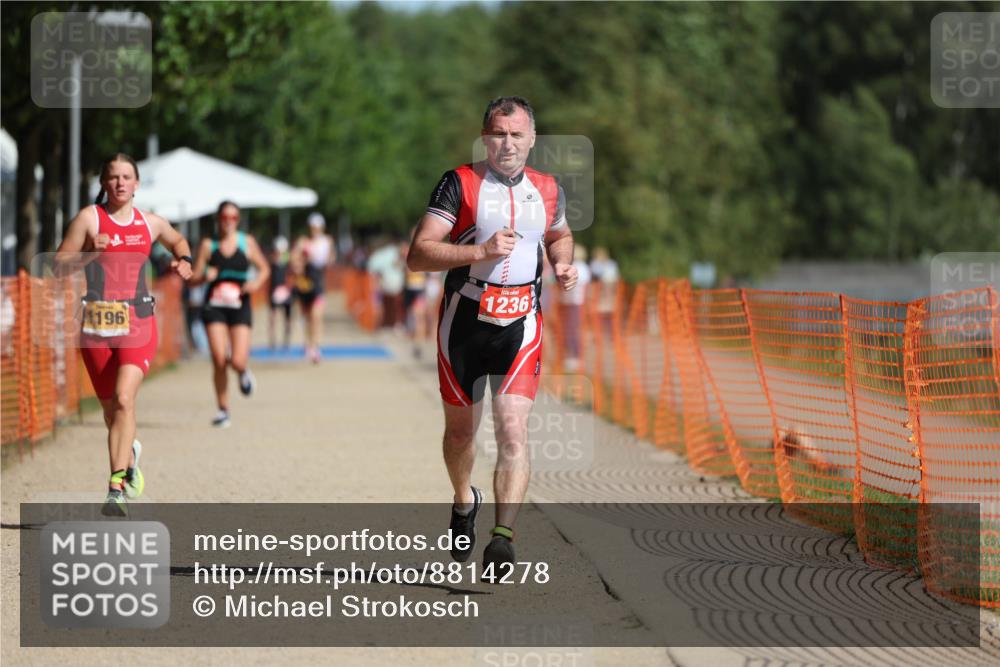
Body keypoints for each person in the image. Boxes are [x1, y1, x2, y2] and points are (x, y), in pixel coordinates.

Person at [407, 96, 578, 575]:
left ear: (532, 139)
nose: (507, 143)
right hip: (463, 321)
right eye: (498, 134)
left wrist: (563, 262)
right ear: (485, 137)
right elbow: (419, 255)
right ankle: (464, 500)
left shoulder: (548, 189)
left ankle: (503, 538)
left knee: (513, 429)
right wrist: (479, 250)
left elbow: (559, 234)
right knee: (461, 434)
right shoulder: (459, 183)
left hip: (521, 323)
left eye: (516, 134)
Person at [55, 153, 193, 515]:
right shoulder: (89, 218)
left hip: (138, 321)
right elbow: (57, 265)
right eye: (113, 177)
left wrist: (185, 262)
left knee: (124, 399)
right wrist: (87, 254)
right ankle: (129, 454)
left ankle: (115, 487)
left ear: (136, 184)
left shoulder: (150, 224)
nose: (119, 183)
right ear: (104, 183)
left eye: (126, 177)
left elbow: (179, 242)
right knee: (111, 412)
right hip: (96, 325)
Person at [191, 201, 270, 428]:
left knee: (236, 360)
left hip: (240, 305)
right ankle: (223, 409)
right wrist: (205, 275)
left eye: (234, 218)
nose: (229, 222)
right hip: (214, 306)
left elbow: (265, 268)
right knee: (218, 358)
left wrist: (255, 283)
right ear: (218, 219)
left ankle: (243, 371)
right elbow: (193, 278)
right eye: (225, 217)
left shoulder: (247, 243)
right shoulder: (208, 245)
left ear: (238, 220)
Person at [291, 213, 335, 363]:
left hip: (318, 285)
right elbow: (293, 259)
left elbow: (329, 260)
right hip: (304, 285)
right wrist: (302, 260)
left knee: (316, 316)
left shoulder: (327, 241)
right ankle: (308, 343)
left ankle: (315, 347)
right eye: (312, 227)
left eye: (317, 227)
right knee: (307, 317)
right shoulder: (303, 241)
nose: (315, 230)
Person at [557, 245, 592, 372]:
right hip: (573, 302)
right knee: (571, 328)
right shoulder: (582, 267)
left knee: (572, 329)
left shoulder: (578, 267)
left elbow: (575, 283)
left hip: (575, 302)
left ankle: (575, 356)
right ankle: (573, 355)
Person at [367, 238, 405, 330]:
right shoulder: (392, 253)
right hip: (390, 285)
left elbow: (372, 270)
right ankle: (386, 325)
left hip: (385, 285)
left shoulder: (379, 255)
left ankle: (381, 325)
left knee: (383, 307)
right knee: (387, 307)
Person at [268, 235, 293, 350]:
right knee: (273, 317)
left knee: (287, 318)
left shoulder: (288, 261)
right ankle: (273, 342)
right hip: (274, 292)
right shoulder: (272, 261)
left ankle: (286, 341)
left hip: (286, 292)